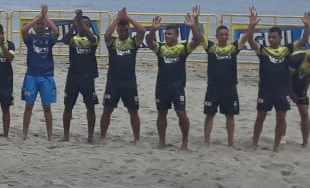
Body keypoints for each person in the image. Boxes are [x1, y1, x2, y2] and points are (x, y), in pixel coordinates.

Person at [241, 6, 310, 152]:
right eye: (269, 37)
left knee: (281, 117)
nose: (271, 40)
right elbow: (249, 40)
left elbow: (304, 40)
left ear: (280, 38)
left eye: (274, 37)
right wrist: (252, 26)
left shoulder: (286, 49)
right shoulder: (263, 50)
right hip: (265, 89)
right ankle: (254, 144)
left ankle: (276, 146)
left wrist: (306, 26)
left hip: (281, 90)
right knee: (260, 117)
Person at [145, 8, 201, 150]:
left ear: (176, 36)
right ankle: (162, 142)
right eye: (165, 34)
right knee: (161, 114)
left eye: (170, 34)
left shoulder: (182, 48)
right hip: (162, 86)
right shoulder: (160, 48)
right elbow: (148, 41)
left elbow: (197, 41)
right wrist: (153, 30)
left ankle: (184, 141)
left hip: (177, 86)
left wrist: (193, 26)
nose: (167, 36)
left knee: (181, 114)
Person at [189, 13, 240, 148]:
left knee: (230, 116)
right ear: (216, 36)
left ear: (229, 36)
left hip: (230, 88)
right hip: (213, 88)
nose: (224, 36)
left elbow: (247, 37)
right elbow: (199, 36)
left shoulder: (234, 48)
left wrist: (252, 25)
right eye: (221, 34)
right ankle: (206, 141)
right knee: (210, 115)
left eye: (226, 34)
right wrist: (195, 21)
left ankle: (230, 142)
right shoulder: (211, 47)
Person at [99, 8, 145, 145]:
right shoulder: (112, 42)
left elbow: (142, 31)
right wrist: (118, 19)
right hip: (113, 82)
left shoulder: (133, 43)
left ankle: (136, 138)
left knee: (133, 111)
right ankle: (102, 136)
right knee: (107, 110)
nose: (124, 32)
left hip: (129, 82)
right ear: (117, 31)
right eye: (121, 30)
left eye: (126, 30)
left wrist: (128, 17)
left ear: (129, 31)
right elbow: (106, 35)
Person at [20, 4, 58, 141]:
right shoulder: (30, 39)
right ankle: (24, 133)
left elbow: (56, 32)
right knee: (28, 106)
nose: (40, 26)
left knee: (46, 107)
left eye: (42, 24)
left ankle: (49, 135)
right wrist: (37, 18)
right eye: (38, 24)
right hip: (32, 75)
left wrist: (45, 17)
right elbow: (23, 31)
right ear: (35, 25)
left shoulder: (48, 39)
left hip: (47, 76)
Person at [60, 9, 99, 143]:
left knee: (90, 107)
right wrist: (74, 25)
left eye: (87, 24)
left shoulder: (93, 39)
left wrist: (81, 23)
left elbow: (93, 38)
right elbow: (64, 40)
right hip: (73, 77)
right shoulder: (73, 39)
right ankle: (65, 135)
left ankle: (90, 136)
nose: (83, 26)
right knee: (68, 106)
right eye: (82, 24)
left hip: (87, 78)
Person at [290, 45, 310, 149]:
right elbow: (287, 77)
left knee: (304, 112)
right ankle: (281, 139)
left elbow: (308, 78)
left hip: (300, 85)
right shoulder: (297, 58)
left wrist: (304, 92)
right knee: (281, 112)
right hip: (285, 84)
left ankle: (305, 142)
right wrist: (291, 94)